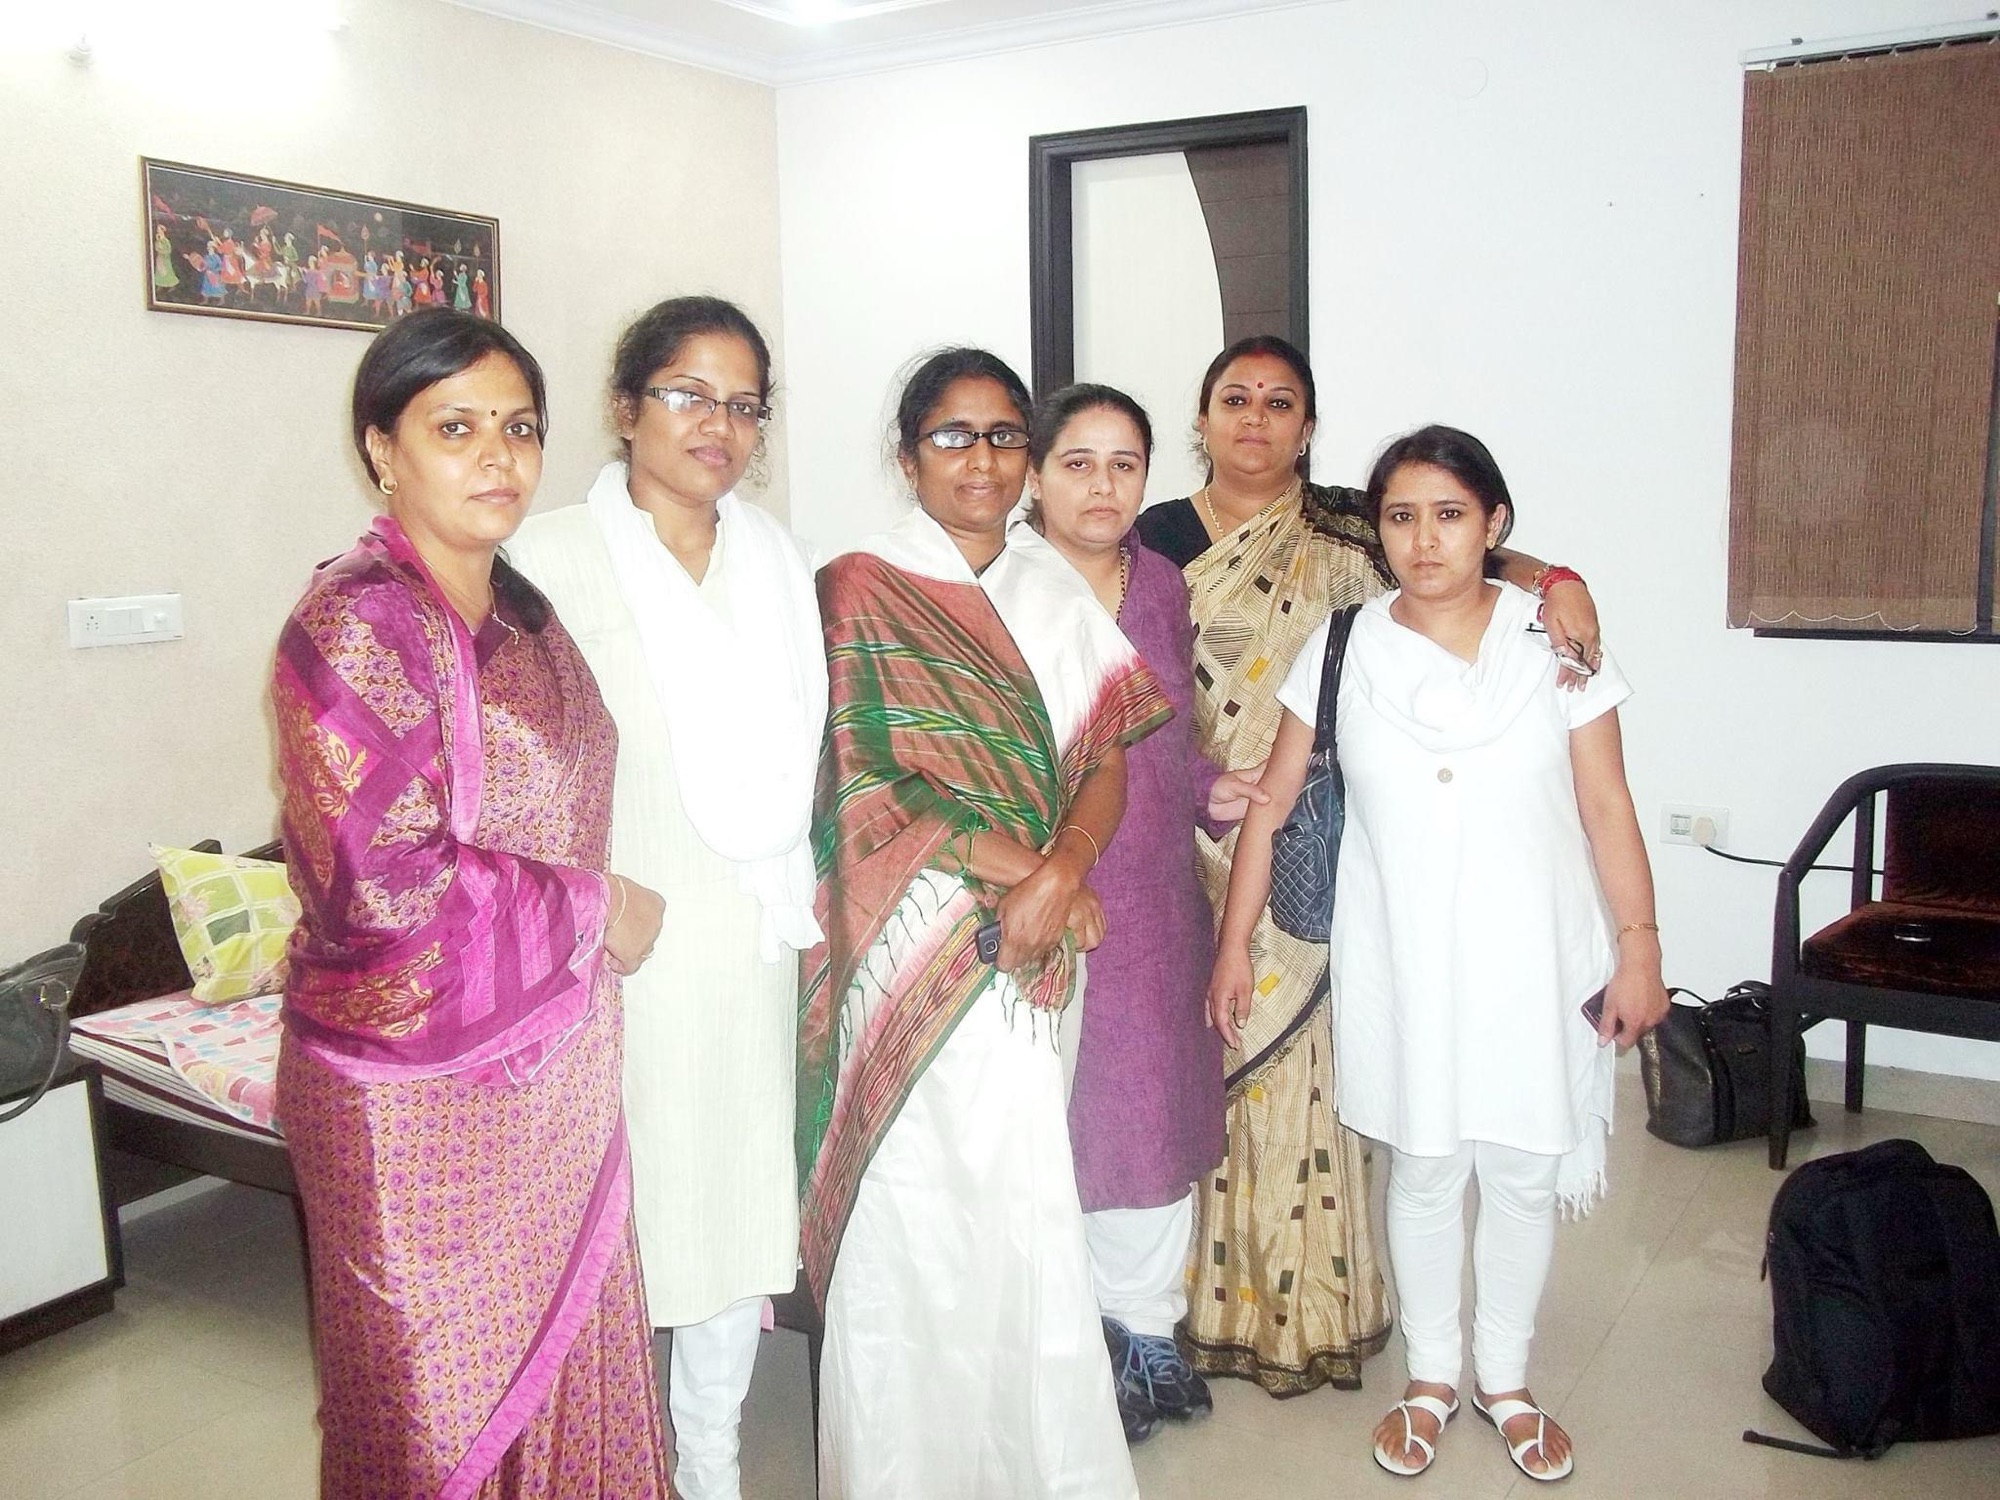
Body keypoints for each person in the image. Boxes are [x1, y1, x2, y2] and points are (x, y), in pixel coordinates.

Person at [1136, 335, 1604, 1397]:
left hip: (1316, 845)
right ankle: (1181, 1307)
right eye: (1234, 399)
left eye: (1280, 403)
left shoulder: (1352, 523)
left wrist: (1560, 578)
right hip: (1184, 834)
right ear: (1201, 418)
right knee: (1196, 1074)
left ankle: (1320, 1306)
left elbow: (1461, 554)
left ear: (1308, 427)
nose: (1255, 419)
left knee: (1315, 1079)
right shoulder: (1153, 536)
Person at [1209, 423, 1669, 1481]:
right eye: (1401, 517)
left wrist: (1639, 948)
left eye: (1450, 515)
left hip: (1535, 956)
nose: (1423, 541)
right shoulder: (1341, 646)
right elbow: (1271, 804)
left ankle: (1503, 1382)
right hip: (1403, 958)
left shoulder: (1554, 644)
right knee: (1422, 1170)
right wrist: (1233, 947)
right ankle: (1428, 1380)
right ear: (1377, 530)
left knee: (1518, 1172)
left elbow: (1607, 804)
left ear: (1493, 523)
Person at [272, 306, 671, 1498]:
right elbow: (379, 885)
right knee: (432, 1420)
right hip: (409, 1100)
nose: (498, 457)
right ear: (381, 448)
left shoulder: (526, 616)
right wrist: (596, 906)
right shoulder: (358, 620)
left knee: (569, 1371)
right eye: (456, 428)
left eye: (519, 428)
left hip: (552, 1071)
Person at [798, 349, 1170, 1498]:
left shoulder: (1053, 590)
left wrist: (1065, 868)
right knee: (908, 1219)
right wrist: (1032, 874)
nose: (982, 459)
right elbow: (859, 777)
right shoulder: (856, 588)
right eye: (952, 436)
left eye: (1005, 435)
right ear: (906, 453)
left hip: (1034, 951)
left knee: (1021, 1205)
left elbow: (1103, 759)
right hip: (908, 934)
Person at [508, 296, 825, 1500]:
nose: (717, 425)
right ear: (625, 405)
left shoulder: (776, 560)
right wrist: (585, 903)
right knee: (619, 1219)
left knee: (732, 1207)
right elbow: (514, 776)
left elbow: (805, 758)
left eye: (742, 405)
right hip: (609, 950)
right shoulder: (545, 559)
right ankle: (601, 1457)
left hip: (744, 939)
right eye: (688, 394)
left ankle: (708, 1462)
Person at [1023, 383, 1264, 1441]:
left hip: (1159, 893)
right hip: (1052, 890)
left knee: (1158, 1116)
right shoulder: (997, 585)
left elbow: (1170, 729)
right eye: (1077, 463)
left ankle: (1148, 1325)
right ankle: (1084, 1338)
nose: (1103, 486)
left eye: (1125, 464)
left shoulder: (1159, 582)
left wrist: (1212, 789)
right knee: (1072, 1121)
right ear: (1035, 475)